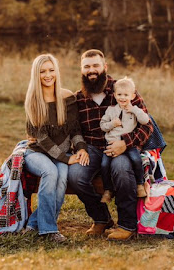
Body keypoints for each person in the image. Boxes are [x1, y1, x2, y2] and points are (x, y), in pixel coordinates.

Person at [67, 49, 153, 240]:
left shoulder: (123, 89)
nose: (92, 70)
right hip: (91, 148)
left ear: (104, 67)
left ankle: (127, 225)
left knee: (121, 170)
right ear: (81, 70)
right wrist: (81, 148)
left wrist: (125, 143)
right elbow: (75, 131)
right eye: (87, 66)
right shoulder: (78, 98)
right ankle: (101, 219)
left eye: (96, 65)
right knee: (75, 176)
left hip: (120, 146)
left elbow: (149, 126)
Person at [23, 54, 89, 242]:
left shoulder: (67, 97)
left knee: (62, 178)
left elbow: (75, 129)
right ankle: (49, 231)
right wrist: (66, 158)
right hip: (36, 153)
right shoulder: (33, 101)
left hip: (62, 153)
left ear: (56, 72)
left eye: (51, 70)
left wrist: (81, 148)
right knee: (51, 172)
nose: (47, 75)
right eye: (43, 71)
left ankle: (33, 225)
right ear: (36, 74)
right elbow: (41, 138)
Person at [99, 77, 150, 203]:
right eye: (119, 94)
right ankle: (108, 190)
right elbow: (103, 126)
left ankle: (139, 184)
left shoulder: (134, 110)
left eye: (126, 95)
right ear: (115, 95)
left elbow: (146, 121)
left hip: (128, 144)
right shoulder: (111, 110)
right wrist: (112, 124)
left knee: (136, 160)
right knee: (104, 165)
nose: (122, 98)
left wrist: (135, 110)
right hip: (110, 144)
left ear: (132, 96)